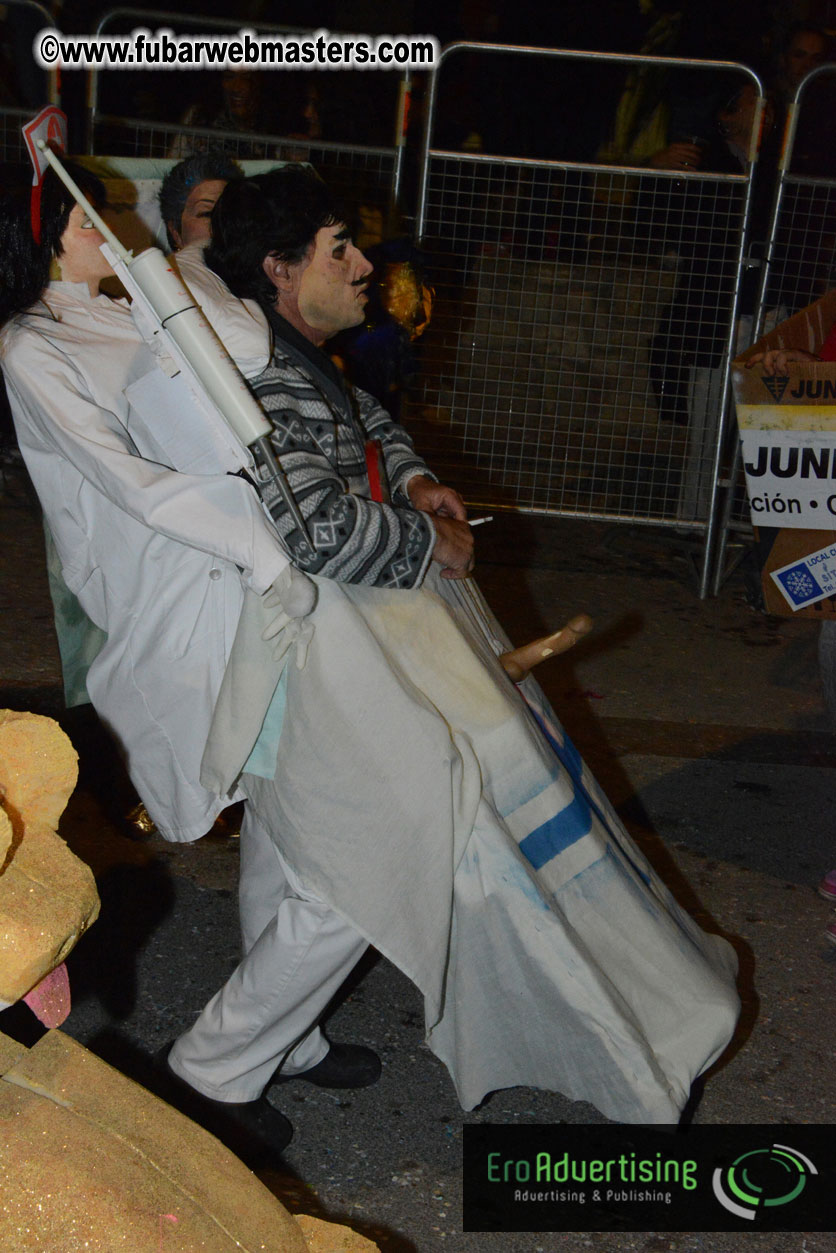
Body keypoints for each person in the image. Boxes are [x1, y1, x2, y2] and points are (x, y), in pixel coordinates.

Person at [195, 164, 741, 1127]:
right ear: (280, 269)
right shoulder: (262, 377)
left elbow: (365, 424)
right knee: (375, 860)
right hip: (316, 660)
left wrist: (410, 483)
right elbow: (312, 531)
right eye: (340, 248)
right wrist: (428, 539)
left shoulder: (299, 349)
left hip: (326, 657)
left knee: (293, 853)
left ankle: (283, 1041)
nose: (366, 264)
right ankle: (211, 1071)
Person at [0, 163, 387, 1167]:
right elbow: (132, 482)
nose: (113, 221)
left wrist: (177, 288)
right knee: (359, 833)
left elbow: (242, 372)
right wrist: (261, 554)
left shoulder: (136, 300)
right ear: (45, 234)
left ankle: (276, 1035)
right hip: (193, 605)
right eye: (91, 213)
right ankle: (213, 1068)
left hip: (252, 589)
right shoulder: (34, 342)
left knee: (295, 822)